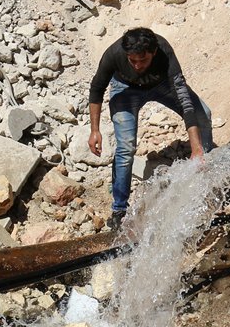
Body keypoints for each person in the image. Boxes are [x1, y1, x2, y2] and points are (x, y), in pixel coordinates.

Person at [87, 27, 214, 229]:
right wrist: (95, 130)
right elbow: (96, 89)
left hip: (162, 85)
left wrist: (196, 148)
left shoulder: (164, 51)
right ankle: (119, 210)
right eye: (133, 61)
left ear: (153, 53)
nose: (137, 65)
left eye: (143, 60)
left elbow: (183, 99)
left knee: (203, 114)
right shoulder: (114, 53)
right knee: (125, 148)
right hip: (125, 91)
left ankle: (206, 167)